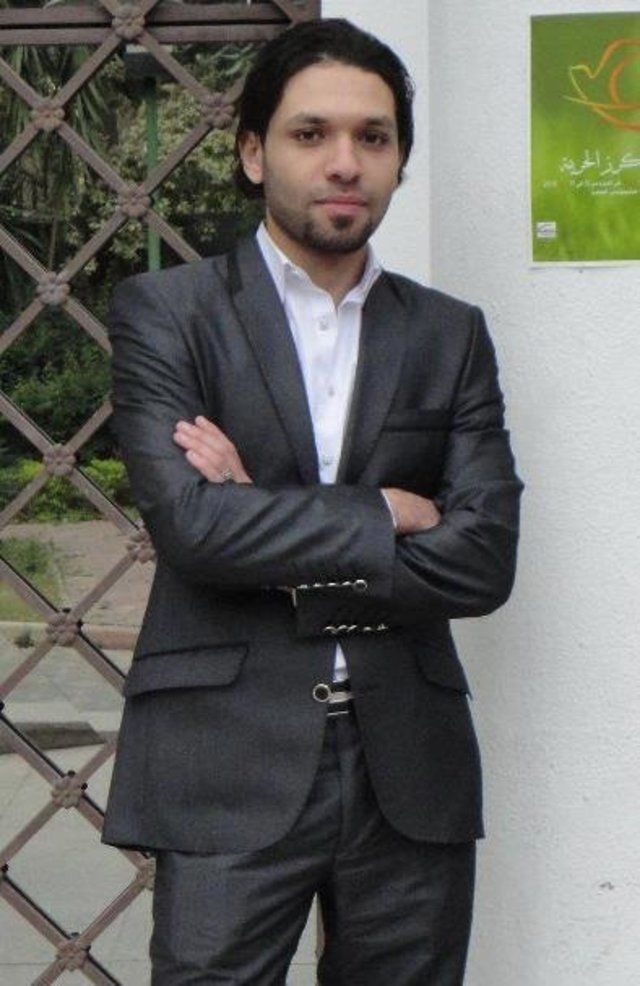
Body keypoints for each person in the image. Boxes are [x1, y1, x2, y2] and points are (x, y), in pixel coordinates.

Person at [103, 17, 523, 986]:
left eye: (373, 137)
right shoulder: (169, 313)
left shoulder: (450, 334)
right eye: (310, 133)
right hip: (224, 757)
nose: (344, 162)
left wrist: (266, 519)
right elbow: (194, 528)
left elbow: (484, 559)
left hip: (409, 766)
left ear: (399, 159)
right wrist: (390, 511)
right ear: (254, 153)